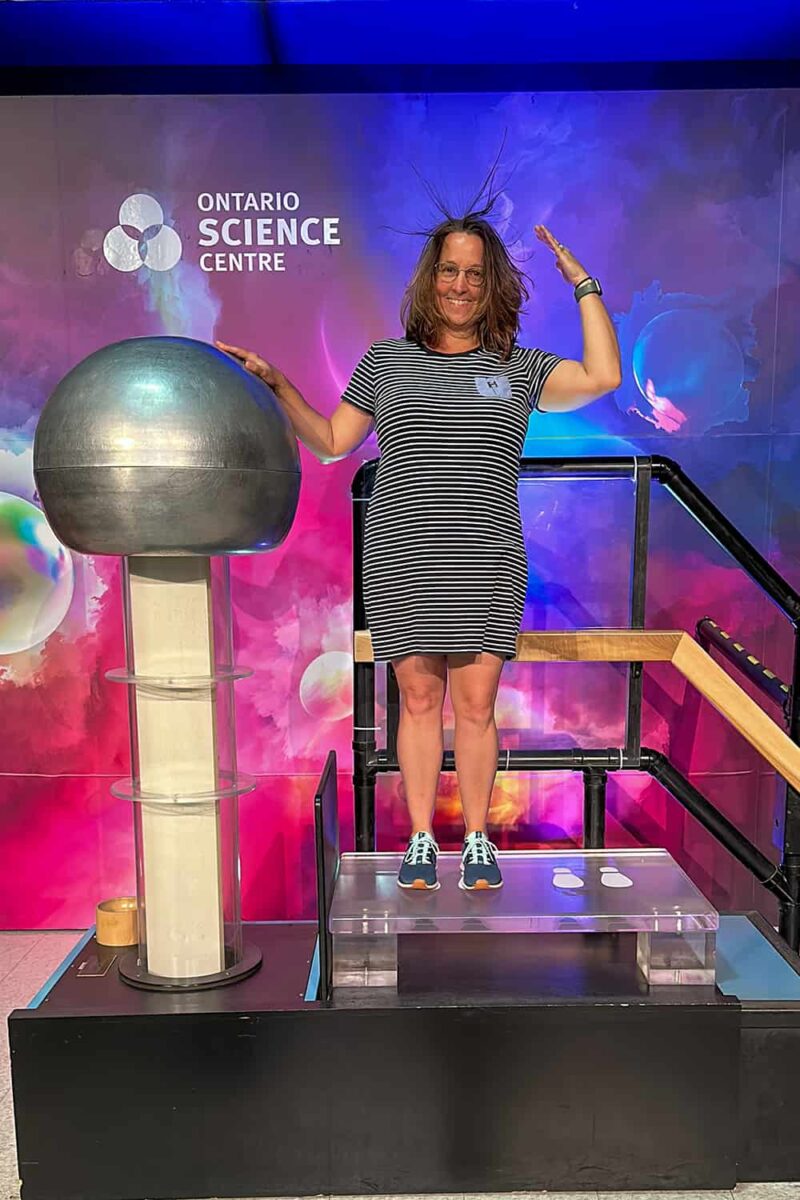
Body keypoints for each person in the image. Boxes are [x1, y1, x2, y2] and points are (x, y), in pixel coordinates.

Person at [217, 213, 620, 894]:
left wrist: (583, 283)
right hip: (403, 554)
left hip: (487, 557)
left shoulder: (517, 369)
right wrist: (278, 383)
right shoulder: (386, 362)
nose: (460, 285)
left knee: (477, 705)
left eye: (473, 273)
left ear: (490, 285)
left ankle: (479, 842)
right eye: (449, 270)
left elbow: (604, 375)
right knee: (417, 697)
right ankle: (423, 840)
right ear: (430, 280)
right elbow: (332, 440)